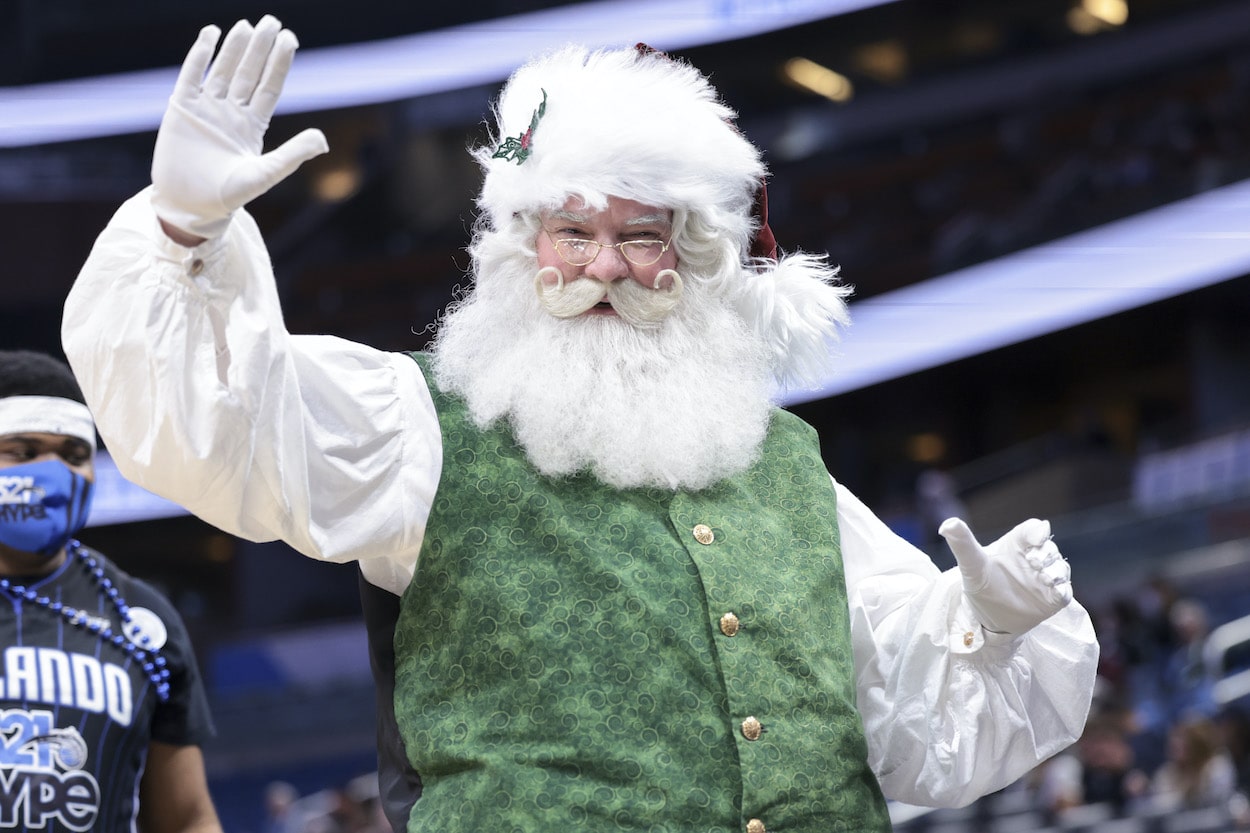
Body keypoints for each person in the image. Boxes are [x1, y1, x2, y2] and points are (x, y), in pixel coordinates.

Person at [61, 16, 1100, 833]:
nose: (603, 266)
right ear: (521, 245)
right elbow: (212, 427)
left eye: (639, 235)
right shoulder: (417, 424)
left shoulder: (786, 465)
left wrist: (993, 628)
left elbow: (916, 728)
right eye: (573, 230)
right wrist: (179, 228)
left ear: (693, 259)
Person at [0, 350, 222, 833]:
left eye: (74, 454)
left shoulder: (143, 618)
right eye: (23, 451)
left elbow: (185, 818)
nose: (54, 472)